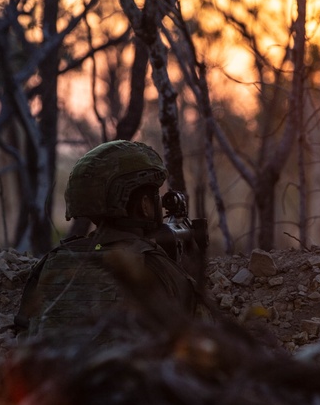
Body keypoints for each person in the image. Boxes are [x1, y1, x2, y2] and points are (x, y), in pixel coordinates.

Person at [15, 140, 205, 337]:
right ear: (145, 205)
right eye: (155, 195)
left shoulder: (52, 261)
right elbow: (201, 335)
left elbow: (23, 331)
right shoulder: (153, 264)